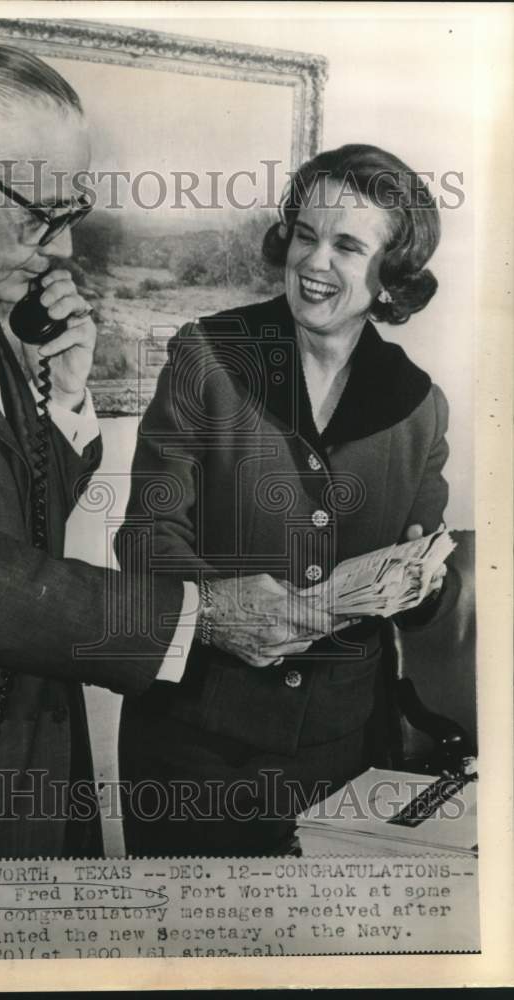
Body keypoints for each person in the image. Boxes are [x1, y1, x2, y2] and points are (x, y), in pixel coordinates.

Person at [0, 44, 324, 863]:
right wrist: (193, 617)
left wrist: (62, 397)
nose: (58, 248)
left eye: (70, 213)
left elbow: (27, 522)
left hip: (29, 772)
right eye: (38, 215)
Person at [115, 144, 460, 857]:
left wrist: (420, 583)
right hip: (197, 751)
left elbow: (426, 568)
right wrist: (218, 610)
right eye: (304, 234)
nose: (312, 262)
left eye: (344, 245)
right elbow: (147, 537)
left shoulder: (419, 404)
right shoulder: (207, 355)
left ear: (389, 276)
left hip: (345, 751)